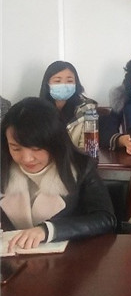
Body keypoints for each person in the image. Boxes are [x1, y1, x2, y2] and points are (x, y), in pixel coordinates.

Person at [0, 98, 116, 252]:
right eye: (15, 148)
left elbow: (105, 219)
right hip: (13, 259)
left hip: (70, 260)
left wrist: (48, 230)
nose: (26, 158)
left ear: (55, 142)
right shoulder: (3, 168)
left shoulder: (81, 167)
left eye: (36, 149)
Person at [39, 60, 97, 149]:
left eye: (69, 81)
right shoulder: (37, 109)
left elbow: (90, 147)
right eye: (57, 81)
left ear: (76, 84)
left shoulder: (87, 109)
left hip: (76, 157)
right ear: (47, 84)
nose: (64, 85)